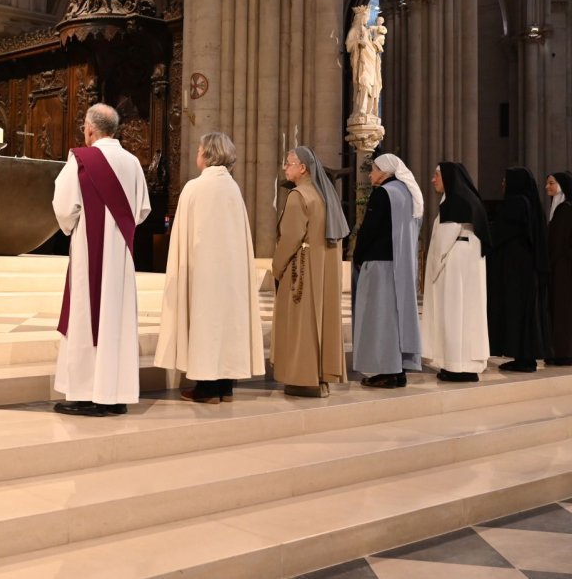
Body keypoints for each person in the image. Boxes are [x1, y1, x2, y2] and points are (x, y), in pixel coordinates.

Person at [52, 103, 151, 417]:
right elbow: (142, 210)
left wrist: (77, 227)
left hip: (89, 252)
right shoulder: (133, 162)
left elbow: (64, 207)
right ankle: (115, 394)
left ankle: (87, 393)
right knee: (115, 320)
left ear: (89, 129)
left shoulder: (81, 159)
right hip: (120, 254)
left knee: (87, 317)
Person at [155, 132, 263, 404]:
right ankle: (225, 387)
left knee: (206, 324)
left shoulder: (195, 188)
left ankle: (206, 388)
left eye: (200, 149)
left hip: (203, 275)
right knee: (227, 325)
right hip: (231, 276)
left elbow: (182, 237)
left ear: (207, 154)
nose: (197, 154)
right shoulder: (233, 189)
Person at [271, 146, 349, 398]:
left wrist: (277, 267)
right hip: (322, 272)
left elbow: (290, 238)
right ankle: (321, 378)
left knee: (301, 326)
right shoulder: (324, 196)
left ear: (303, 167)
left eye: (289, 163)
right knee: (320, 324)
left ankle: (303, 379)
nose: (285, 167)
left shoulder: (298, 196)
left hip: (300, 273)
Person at [351, 153, 424, 388]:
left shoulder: (384, 193)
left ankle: (387, 371)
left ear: (384, 171)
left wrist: (357, 255)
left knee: (379, 319)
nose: (371, 174)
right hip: (401, 266)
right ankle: (399, 369)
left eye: (373, 169)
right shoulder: (409, 193)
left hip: (380, 265)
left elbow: (369, 230)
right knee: (396, 318)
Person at [422, 162, 491, 382]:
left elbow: (443, 240)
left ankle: (456, 365)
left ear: (449, 179)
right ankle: (464, 364)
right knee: (467, 313)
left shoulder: (455, 202)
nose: (433, 180)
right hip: (467, 261)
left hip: (455, 263)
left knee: (454, 312)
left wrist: (430, 270)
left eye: (437, 176)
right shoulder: (469, 199)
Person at [488, 167, 550, 372]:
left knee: (516, 312)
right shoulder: (531, 203)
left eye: (506, 180)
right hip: (526, 267)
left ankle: (523, 358)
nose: (503, 184)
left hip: (516, 269)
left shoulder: (515, 203)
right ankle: (526, 356)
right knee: (525, 313)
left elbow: (501, 233)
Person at [546, 172, 572, 365]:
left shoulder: (564, 210)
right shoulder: (562, 208)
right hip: (561, 266)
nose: (547, 187)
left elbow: (558, 242)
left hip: (562, 268)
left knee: (562, 310)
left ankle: (563, 353)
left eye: (551, 183)